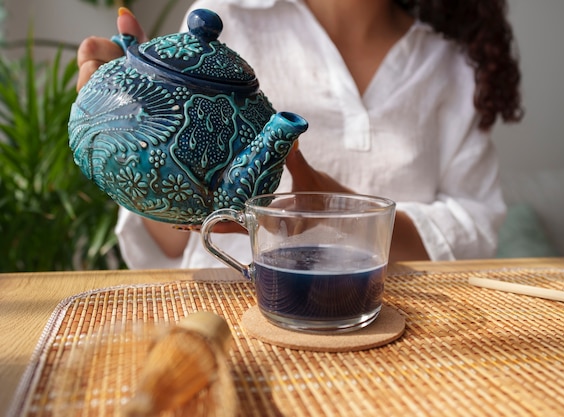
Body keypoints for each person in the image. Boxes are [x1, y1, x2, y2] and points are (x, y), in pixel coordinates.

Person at [76, 0, 523, 269]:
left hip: (396, 333)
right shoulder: (233, 15)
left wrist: (328, 208)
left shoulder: (452, 67)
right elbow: (172, 236)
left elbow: (474, 232)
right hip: (230, 323)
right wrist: (128, 135)